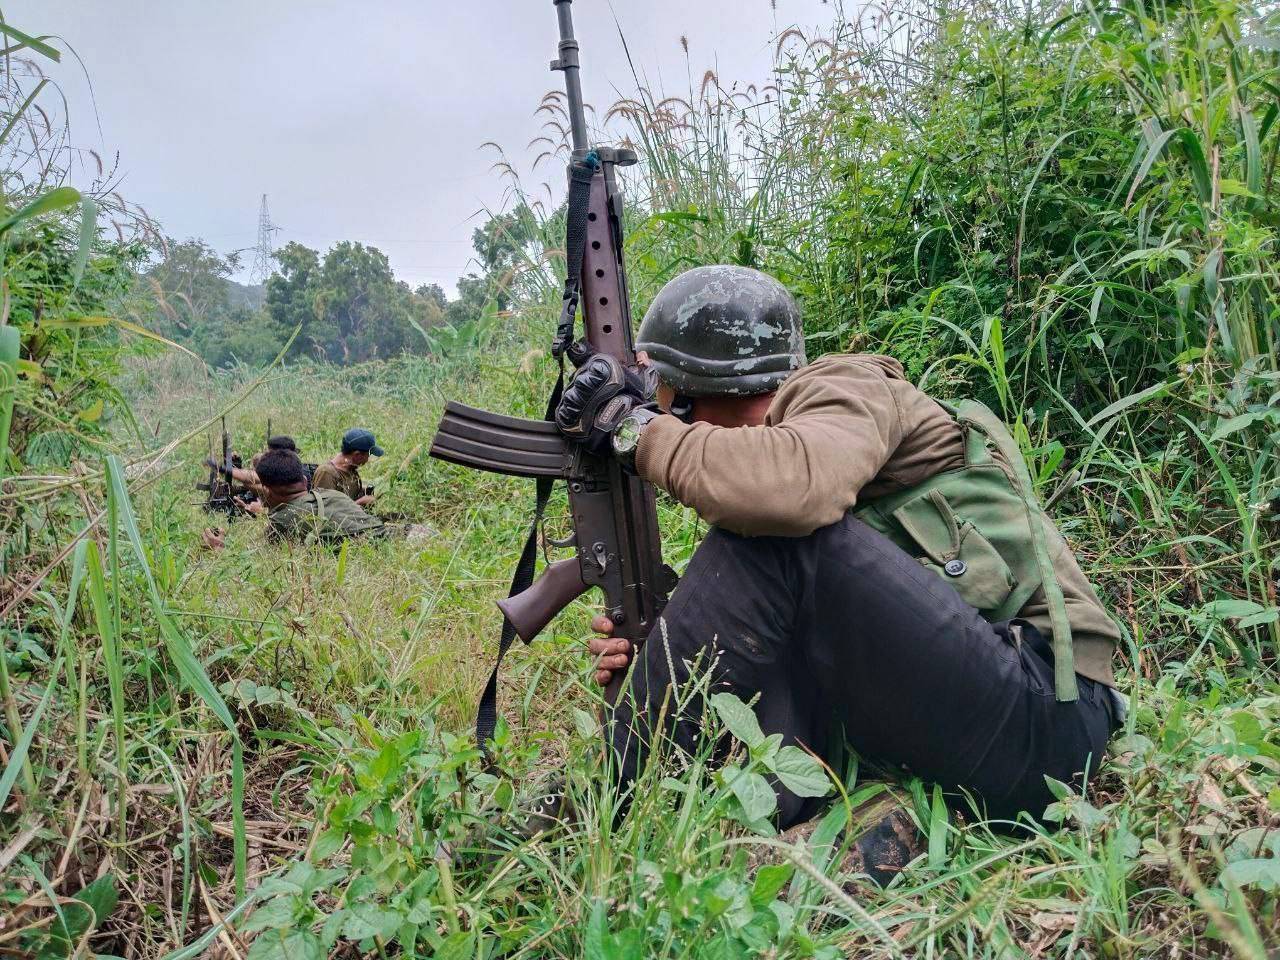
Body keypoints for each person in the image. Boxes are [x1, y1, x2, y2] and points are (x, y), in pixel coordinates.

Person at [552, 265, 1123, 858]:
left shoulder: (841, 387)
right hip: (973, 716)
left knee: (783, 533)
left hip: (1050, 713)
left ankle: (595, 807)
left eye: (679, 412)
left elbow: (793, 491)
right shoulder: (798, 468)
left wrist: (632, 429)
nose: (679, 427)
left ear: (715, 389)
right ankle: (666, 802)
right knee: (762, 585)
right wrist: (664, 662)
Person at [202, 448, 384, 549]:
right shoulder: (333, 494)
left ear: (267, 490)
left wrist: (221, 548)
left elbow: (254, 561)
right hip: (404, 534)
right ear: (305, 481)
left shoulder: (282, 520)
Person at [312, 428, 381, 506]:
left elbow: (347, 491)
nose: (367, 460)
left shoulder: (350, 468)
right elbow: (325, 510)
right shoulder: (326, 473)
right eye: (368, 456)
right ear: (357, 455)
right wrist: (360, 502)